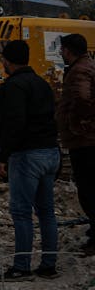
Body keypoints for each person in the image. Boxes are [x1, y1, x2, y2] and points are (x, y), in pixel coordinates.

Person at [0, 39, 60, 280]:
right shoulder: (42, 84)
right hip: (50, 152)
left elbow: (14, 125)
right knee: (47, 212)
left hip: (27, 155)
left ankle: (21, 266)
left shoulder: (13, 87)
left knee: (21, 212)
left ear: (7, 61)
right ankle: (48, 264)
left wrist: (2, 156)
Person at [57, 33, 95, 256]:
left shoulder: (79, 71)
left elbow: (82, 98)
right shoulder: (88, 65)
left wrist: (75, 124)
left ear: (69, 50)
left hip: (85, 140)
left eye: (62, 49)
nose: (60, 53)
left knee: (89, 189)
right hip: (87, 138)